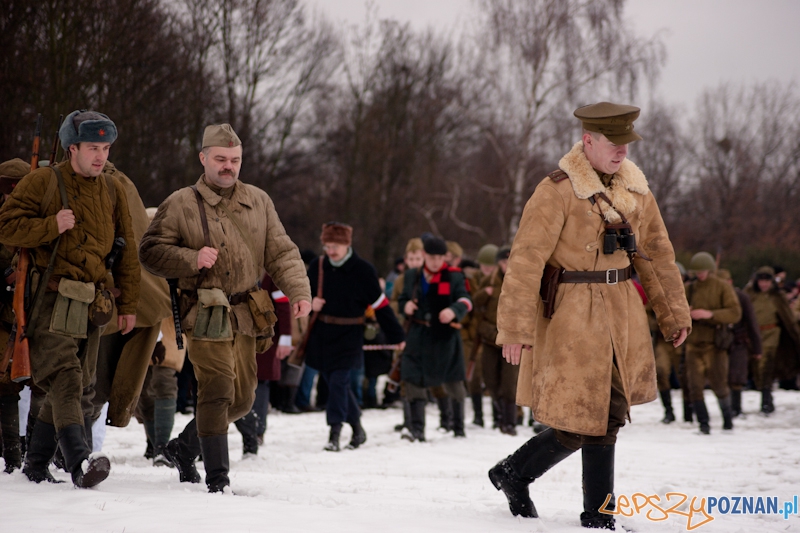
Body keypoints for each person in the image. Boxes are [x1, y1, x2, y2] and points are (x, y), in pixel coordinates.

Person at [488, 103, 690, 529]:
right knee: (588, 413)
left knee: (604, 414)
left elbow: (656, 254)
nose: (622, 151)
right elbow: (525, 261)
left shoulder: (636, 191)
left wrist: (674, 313)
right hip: (571, 315)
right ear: (588, 141)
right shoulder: (557, 190)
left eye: (626, 143)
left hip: (621, 311)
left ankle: (519, 475)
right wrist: (514, 328)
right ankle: (593, 513)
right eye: (613, 143)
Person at [139, 123, 311, 493]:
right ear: (203, 158)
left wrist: (299, 291)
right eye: (220, 159)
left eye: (234, 159)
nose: (228, 166)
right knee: (216, 390)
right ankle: (218, 481)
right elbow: (149, 251)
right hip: (203, 312)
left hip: (246, 314)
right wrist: (190, 258)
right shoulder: (181, 202)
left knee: (242, 399)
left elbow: (281, 251)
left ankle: (183, 448)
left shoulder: (259, 201)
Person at [0, 111, 140, 488]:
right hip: (48, 298)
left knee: (76, 383)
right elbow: (6, 227)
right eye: (93, 148)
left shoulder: (112, 189)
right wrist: (51, 226)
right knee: (66, 375)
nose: (101, 156)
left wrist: (129, 305)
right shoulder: (43, 181)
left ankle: (35, 465)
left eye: (106, 148)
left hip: (91, 302)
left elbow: (128, 249)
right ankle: (80, 462)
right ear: (72, 148)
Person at [305, 222, 405, 451]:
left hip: (349, 336)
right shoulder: (317, 266)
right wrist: (311, 303)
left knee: (339, 383)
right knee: (336, 386)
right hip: (322, 335)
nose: (331, 251)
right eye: (327, 246)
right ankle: (358, 429)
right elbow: (302, 296)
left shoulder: (363, 270)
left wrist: (397, 335)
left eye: (335, 246)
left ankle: (334, 433)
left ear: (347, 245)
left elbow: (381, 306)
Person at [398, 234, 473, 442]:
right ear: (424, 255)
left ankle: (458, 427)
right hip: (418, 335)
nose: (436, 262)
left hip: (445, 337)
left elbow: (466, 300)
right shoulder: (412, 275)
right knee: (412, 378)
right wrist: (405, 306)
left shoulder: (454, 276)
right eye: (432, 257)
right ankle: (416, 429)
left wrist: (454, 310)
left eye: (440, 258)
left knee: (453, 381)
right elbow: (402, 299)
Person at [683, 252, 741, 434]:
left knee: (720, 386)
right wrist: (686, 312)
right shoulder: (689, 289)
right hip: (693, 344)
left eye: (703, 271)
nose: (700, 274)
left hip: (715, 345)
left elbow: (735, 313)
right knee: (695, 387)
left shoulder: (722, 287)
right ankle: (703, 424)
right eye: (697, 271)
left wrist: (710, 314)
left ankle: (728, 421)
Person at [473, 247, 518, 435]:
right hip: (490, 339)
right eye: (503, 262)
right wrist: (485, 293)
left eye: (509, 261)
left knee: (509, 383)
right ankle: (498, 418)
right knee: (490, 380)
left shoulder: (520, 281)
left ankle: (510, 422)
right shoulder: (489, 281)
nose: (506, 265)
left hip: (512, 341)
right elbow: (476, 308)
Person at [744, 266, 800, 414]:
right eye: (761, 281)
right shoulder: (750, 294)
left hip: (772, 334)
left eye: (767, 281)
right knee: (756, 367)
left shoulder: (777, 296)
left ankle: (766, 401)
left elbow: (788, 318)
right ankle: (763, 394)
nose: (764, 284)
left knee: (767, 365)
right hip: (754, 335)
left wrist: (796, 333)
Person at [716, 269, 761, 417]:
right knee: (722, 377)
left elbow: (752, 323)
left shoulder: (742, 297)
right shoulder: (716, 297)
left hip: (738, 342)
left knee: (737, 377)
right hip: (720, 342)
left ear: (730, 282)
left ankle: (736, 409)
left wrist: (757, 348)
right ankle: (728, 411)